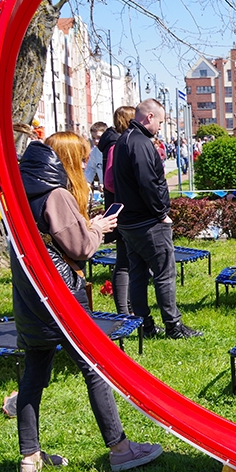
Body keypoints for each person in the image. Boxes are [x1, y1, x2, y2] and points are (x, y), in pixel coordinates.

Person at [12, 131, 162, 472]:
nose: (84, 163)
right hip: (61, 296)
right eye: (79, 158)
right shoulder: (56, 194)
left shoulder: (18, 194)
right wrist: (96, 227)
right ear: (64, 160)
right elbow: (79, 248)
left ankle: (29, 456)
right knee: (94, 369)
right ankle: (121, 449)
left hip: (28, 293)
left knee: (33, 374)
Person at [112, 99, 202, 339]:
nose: (161, 127)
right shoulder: (140, 143)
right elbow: (149, 183)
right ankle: (173, 326)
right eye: (160, 121)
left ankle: (144, 325)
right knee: (164, 273)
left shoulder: (124, 140)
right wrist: (162, 213)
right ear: (149, 117)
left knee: (138, 274)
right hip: (147, 221)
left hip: (129, 221)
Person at [98, 106, 135, 315]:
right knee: (123, 261)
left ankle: (128, 306)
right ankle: (123, 310)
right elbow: (110, 181)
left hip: (120, 207)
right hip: (121, 209)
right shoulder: (115, 145)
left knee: (128, 259)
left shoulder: (116, 142)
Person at [84, 121, 107, 189]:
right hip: (103, 188)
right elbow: (90, 168)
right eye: (93, 138)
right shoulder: (94, 152)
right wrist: (87, 182)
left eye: (99, 137)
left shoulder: (112, 149)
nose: (96, 141)